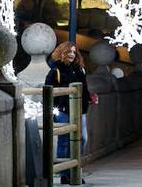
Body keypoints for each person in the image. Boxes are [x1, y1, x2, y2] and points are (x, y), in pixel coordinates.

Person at [45, 41, 94, 185]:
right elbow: (48, 91)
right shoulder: (56, 71)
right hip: (63, 112)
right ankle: (66, 174)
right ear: (62, 53)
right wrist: (54, 111)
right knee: (64, 142)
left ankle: (75, 169)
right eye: (69, 52)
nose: (72, 54)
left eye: (74, 52)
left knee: (83, 139)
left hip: (80, 110)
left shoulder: (80, 69)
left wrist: (89, 99)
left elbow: (84, 89)